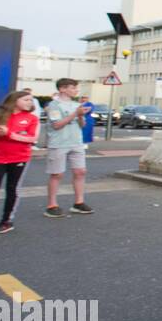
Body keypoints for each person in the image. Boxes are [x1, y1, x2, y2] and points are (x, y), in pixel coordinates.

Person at [43, 78, 92, 217]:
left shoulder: (76, 105)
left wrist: (81, 116)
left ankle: (79, 202)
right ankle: (52, 204)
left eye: (76, 88)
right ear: (62, 89)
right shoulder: (54, 105)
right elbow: (57, 124)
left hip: (76, 142)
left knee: (80, 171)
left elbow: (82, 125)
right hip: (59, 142)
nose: (76, 90)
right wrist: (75, 114)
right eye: (73, 88)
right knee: (57, 174)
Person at [0, 89, 39, 234]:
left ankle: (6, 221)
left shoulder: (32, 119)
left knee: (12, 189)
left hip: (19, 158)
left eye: (31, 100)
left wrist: (9, 134)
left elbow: (32, 138)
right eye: (26, 99)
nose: (30, 102)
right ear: (15, 101)